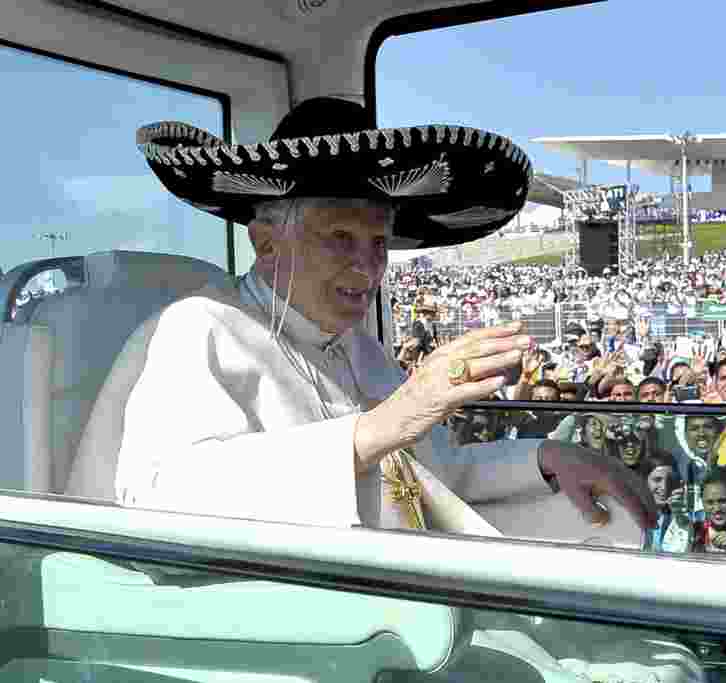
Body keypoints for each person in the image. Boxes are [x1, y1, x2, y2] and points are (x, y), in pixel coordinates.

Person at [73, 98, 690, 683]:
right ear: (266, 243)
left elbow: (431, 476)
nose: (368, 267)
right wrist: (373, 430)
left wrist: (545, 458)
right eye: (341, 239)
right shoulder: (200, 327)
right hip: (291, 640)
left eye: (378, 244)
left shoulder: (359, 350)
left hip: (412, 612)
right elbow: (163, 501)